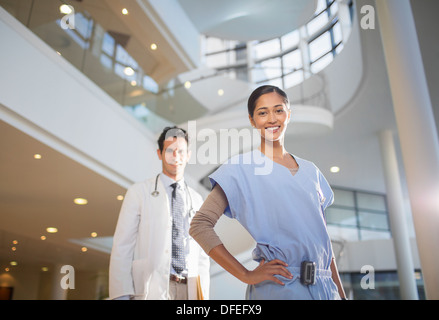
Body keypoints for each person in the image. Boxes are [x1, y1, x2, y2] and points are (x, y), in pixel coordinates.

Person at [189, 85, 347, 300]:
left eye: (278, 110)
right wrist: (245, 274)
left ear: (288, 114)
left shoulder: (312, 172)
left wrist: (342, 295)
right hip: (280, 288)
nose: (272, 118)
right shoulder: (240, 169)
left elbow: (322, 242)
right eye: (262, 113)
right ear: (252, 120)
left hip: (326, 290)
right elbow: (200, 225)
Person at [109, 126, 210, 300]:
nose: (176, 157)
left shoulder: (197, 199)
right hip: (152, 288)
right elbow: (122, 247)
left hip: (190, 289)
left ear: (188, 155)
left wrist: (203, 297)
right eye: (169, 151)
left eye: (181, 151)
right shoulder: (138, 192)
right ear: (159, 153)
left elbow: (202, 255)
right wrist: (121, 295)